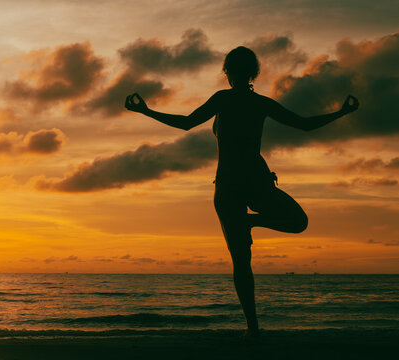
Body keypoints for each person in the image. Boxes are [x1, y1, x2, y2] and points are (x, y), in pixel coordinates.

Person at [124, 46, 359, 339]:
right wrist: (342, 112)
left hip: (229, 186)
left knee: (242, 260)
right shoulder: (261, 103)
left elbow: (185, 123)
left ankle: (253, 327)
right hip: (255, 182)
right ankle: (252, 323)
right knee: (297, 222)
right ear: (253, 73)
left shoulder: (224, 99)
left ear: (228, 72)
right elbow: (304, 125)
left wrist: (146, 111)